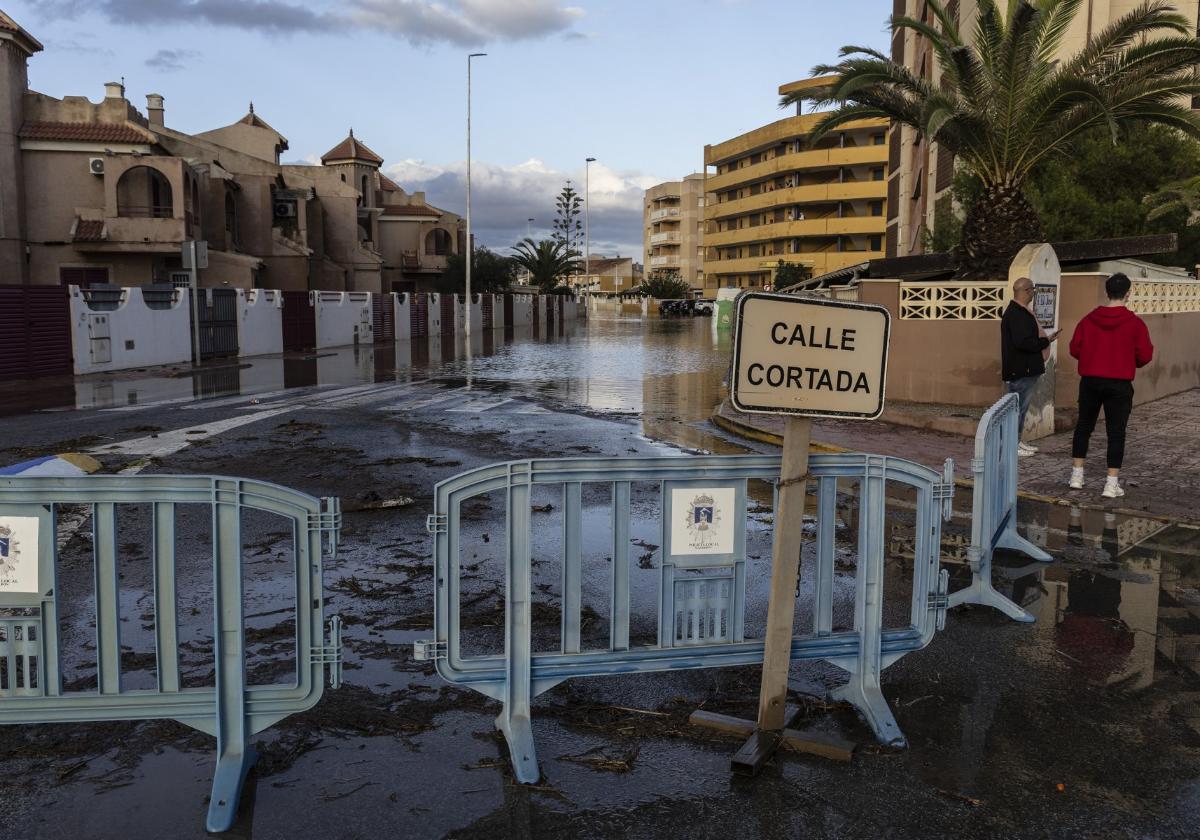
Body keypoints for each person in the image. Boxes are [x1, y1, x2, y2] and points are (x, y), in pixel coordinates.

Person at [1068, 272, 1154, 498]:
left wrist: (1092, 358)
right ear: (1128, 294)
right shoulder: (1135, 323)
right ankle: (1111, 483)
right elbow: (1144, 355)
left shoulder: (1087, 320)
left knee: (1084, 427)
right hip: (1119, 383)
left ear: (1107, 292)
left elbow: (1075, 348)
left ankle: (1077, 475)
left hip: (1090, 381)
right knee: (1116, 433)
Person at [1001, 276, 1060, 456]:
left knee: (1021, 409)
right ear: (1026, 291)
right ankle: (1012, 445)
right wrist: (1044, 341)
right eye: (1033, 289)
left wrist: (1044, 340)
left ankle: (1017, 440)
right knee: (1016, 410)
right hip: (1021, 370)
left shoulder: (1021, 312)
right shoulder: (1016, 314)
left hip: (1026, 369)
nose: (1034, 292)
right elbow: (1023, 342)